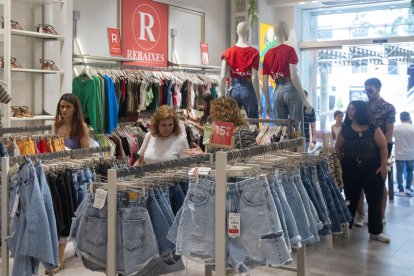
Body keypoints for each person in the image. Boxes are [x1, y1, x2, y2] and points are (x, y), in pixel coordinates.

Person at [335, 101, 390, 243]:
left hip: (372, 166)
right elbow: (338, 148)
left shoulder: (373, 128)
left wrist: (383, 166)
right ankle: (347, 226)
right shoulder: (345, 128)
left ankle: (376, 232)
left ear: (361, 111)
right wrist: (338, 166)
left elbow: (383, 147)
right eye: (349, 109)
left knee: (374, 200)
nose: (350, 111)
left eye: (353, 109)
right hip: (350, 166)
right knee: (350, 198)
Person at [51, 93, 90, 274]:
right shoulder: (57, 125)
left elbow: (86, 154)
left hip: (75, 174)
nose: (64, 110)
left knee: (70, 212)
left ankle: (62, 255)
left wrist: (68, 153)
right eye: (62, 107)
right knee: (60, 212)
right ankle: (59, 253)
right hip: (59, 172)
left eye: (68, 107)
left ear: (75, 108)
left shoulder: (81, 127)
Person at [354, 78, 395, 226]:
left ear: (378, 88)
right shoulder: (362, 107)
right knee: (359, 182)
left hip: (379, 149)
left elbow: (389, 133)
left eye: (370, 89)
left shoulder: (388, 107)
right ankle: (360, 215)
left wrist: (385, 156)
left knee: (379, 182)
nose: (367, 92)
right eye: (365, 90)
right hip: (361, 149)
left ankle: (380, 215)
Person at [262, 21, 312, 135]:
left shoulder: (267, 54)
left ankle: (283, 151)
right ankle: (298, 152)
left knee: (281, 130)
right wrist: (305, 100)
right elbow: (294, 76)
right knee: (296, 127)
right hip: (291, 89)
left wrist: (268, 104)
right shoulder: (289, 50)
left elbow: (265, 82)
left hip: (277, 91)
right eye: (288, 30)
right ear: (284, 31)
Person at [184, 96, 257, 155]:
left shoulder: (242, 132)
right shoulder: (214, 127)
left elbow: (254, 157)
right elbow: (212, 156)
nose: (211, 115)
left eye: (213, 112)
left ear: (221, 113)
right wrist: (203, 154)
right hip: (216, 171)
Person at [220, 21, 262, 119]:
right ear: (249, 32)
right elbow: (254, 78)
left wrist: (222, 98)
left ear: (236, 32)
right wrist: (259, 101)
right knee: (253, 123)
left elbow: (222, 77)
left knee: (231, 123)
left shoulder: (228, 52)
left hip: (233, 89)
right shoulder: (254, 53)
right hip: (248, 89)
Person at [393, 111, 414, 195]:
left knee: (399, 172)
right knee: (410, 171)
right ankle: (408, 188)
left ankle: (401, 190)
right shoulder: (412, 128)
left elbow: (391, 139)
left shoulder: (396, 128)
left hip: (399, 153)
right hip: (411, 154)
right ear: (409, 118)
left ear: (400, 118)